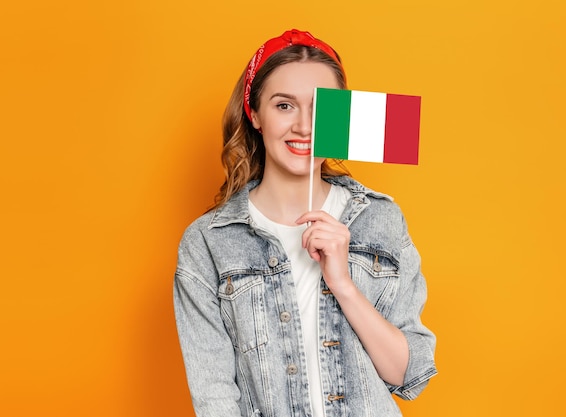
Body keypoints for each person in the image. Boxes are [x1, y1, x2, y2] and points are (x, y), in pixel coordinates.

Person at [173, 29, 437, 417]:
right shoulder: (207, 244)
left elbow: (410, 375)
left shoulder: (380, 221)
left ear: (341, 117)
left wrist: (343, 284)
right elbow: (214, 398)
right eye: (284, 106)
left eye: (320, 108)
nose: (304, 127)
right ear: (254, 114)